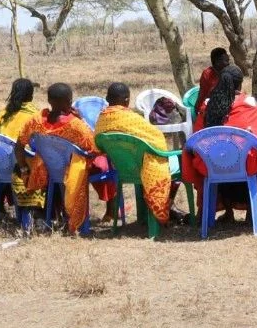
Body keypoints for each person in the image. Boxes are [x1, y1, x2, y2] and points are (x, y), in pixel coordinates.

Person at [184, 66, 257, 228]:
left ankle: (227, 212)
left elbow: (195, 141)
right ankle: (254, 213)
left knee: (221, 158)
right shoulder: (249, 105)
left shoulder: (207, 106)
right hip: (246, 166)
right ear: (240, 84)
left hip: (212, 167)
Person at [13, 83, 115, 234]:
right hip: (72, 174)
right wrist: (82, 119)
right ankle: (108, 211)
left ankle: (54, 214)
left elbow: (19, 146)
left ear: (49, 100)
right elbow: (95, 148)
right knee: (105, 163)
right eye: (70, 100)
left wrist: (24, 168)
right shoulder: (75, 125)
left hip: (49, 171)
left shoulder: (35, 121)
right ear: (68, 101)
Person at [93, 82, 173, 226]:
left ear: (107, 99)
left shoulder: (101, 120)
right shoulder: (132, 119)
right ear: (127, 101)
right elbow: (158, 140)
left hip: (121, 169)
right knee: (171, 164)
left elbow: (97, 144)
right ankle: (165, 211)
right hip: (143, 168)